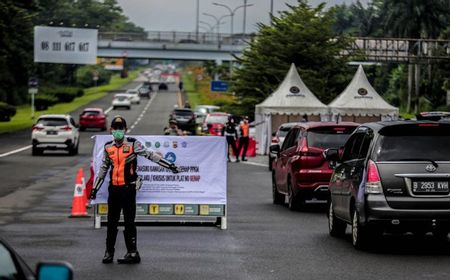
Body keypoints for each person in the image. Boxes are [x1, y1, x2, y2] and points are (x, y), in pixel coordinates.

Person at [89, 115, 181, 264]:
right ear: (111, 130)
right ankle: (109, 252)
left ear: (125, 129)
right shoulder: (108, 147)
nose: (118, 131)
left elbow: (151, 156)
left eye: (121, 128)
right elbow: (104, 168)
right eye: (115, 128)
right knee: (111, 222)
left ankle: (132, 253)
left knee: (129, 222)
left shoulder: (133, 144)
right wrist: (94, 189)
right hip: (114, 190)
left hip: (128, 189)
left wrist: (170, 165)